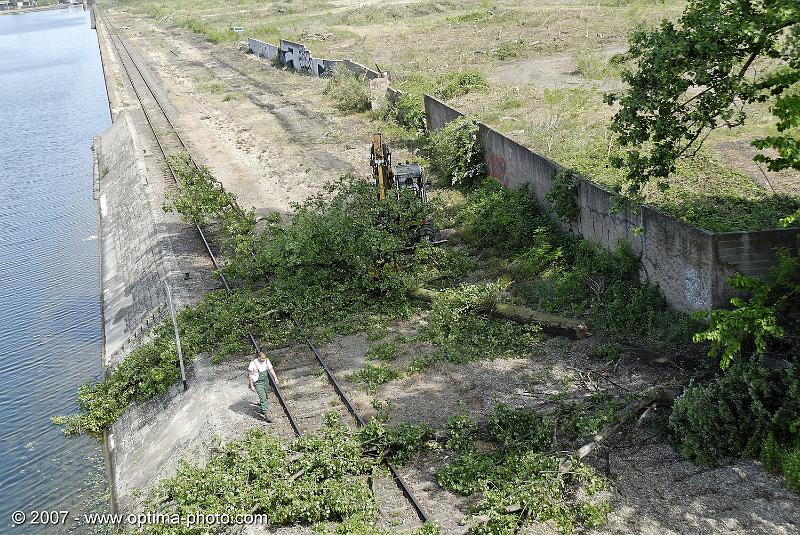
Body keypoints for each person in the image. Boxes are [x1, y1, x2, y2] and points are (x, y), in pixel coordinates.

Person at [248, 351, 278, 422]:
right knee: (263, 397)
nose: (263, 360)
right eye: (262, 358)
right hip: (258, 383)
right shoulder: (253, 363)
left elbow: (271, 369)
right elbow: (250, 375)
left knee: (266, 396)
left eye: (264, 358)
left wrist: (275, 378)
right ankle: (267, 415)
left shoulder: (267, 361)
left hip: (265, 381)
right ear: (258, 357)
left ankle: (262, 408)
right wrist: (252, 385)